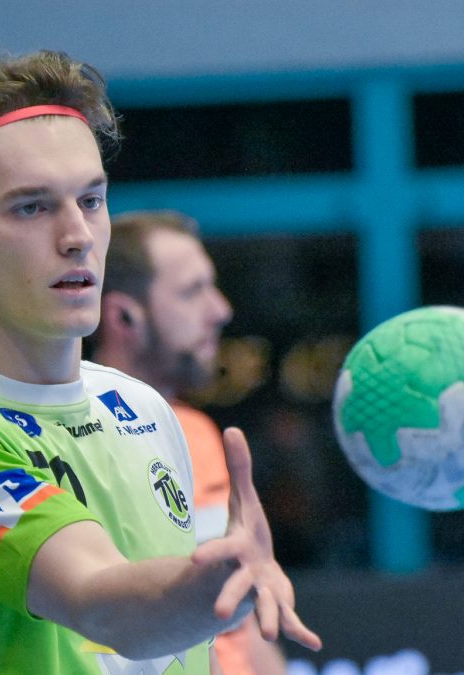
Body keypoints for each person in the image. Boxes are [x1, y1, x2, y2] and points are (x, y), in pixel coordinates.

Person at [0, 47, 321, 674]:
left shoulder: (144, 410)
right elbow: (100, 603)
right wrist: (216, 592)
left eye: (91, 201)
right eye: (31, 207)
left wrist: (222, 599)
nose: (78, 236)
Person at [90, 210, 289, 675]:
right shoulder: (79, 440)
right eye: (191, 291)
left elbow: (241, 623)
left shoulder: (197, 431)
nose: (220, 309)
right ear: (123, 315)